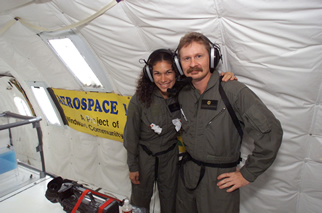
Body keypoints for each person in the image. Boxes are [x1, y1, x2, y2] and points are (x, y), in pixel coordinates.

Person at [175, 32, 283, 213]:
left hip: (220, 183)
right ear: (180, 64)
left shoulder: (233, 91)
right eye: (186, 58)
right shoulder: (183, 94)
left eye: (199, 56)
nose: (193, 64)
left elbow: (271, 132)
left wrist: (246, 174)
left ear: (211, 58)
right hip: (187, 180)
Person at [123, 48, 236, 213]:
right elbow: (130, 136)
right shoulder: (140, 99)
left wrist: (225, 77)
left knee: (170, 200)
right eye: (157, 73)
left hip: (169, 157)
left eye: (168, 72)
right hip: (144, 157)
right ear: (150, 74)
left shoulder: (184, 92)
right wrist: (133, 166)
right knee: (140, 202)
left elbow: (206, 83)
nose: (163, 79)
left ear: (176, 72)